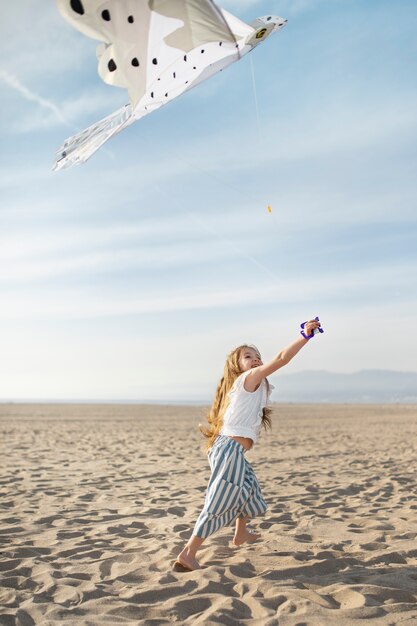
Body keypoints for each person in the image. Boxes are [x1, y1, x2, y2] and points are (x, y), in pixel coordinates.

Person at [175, 318, 322, 571]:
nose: (255, 360)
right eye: (247, 357)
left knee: (249, 487)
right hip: (228, 450)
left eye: (256, 356)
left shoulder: (250, 386)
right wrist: (305, 337)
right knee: (219, 499)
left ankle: (240, 534)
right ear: (237, 366)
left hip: (230, 450)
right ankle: (189, 553)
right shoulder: (248, 379)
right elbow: (282, 358)